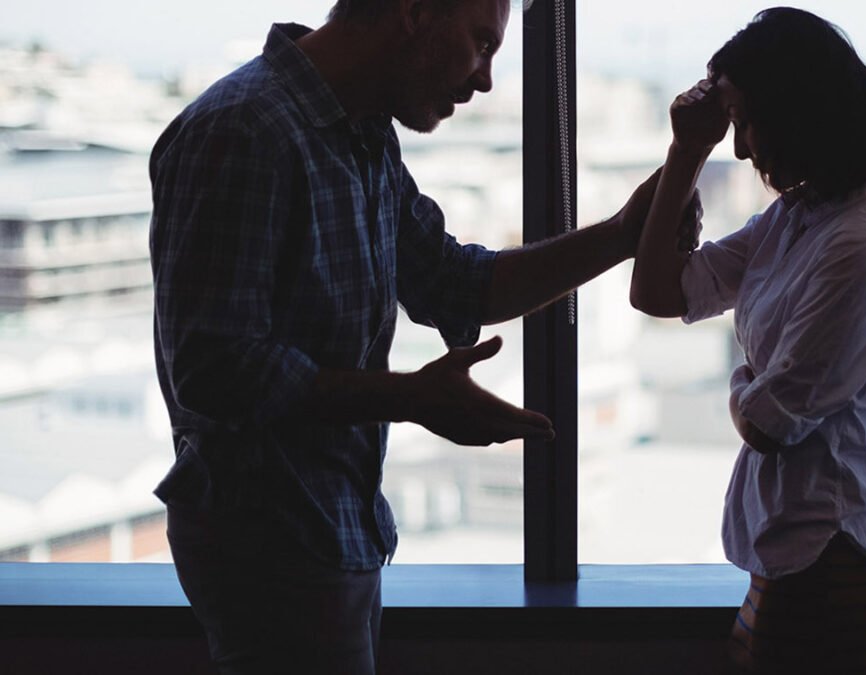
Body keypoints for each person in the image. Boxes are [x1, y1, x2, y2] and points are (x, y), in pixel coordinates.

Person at [149, 1, 690, 673]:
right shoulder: (243, 130)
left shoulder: (358, 132)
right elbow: (213, 366)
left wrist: (619, 238)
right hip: (271, 542)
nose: (487, 79)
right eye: (481, 44)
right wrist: (408, 398)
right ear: (415, 12)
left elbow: (454, 283)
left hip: (327, 531)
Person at [630, 7, 866, 674]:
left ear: (796, 110)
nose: (739, 147)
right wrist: (687, 151)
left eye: (744, 121)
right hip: (802, 557)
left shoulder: (864, 245)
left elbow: (771, 422)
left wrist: (739, 379)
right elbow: (656, 292)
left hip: (838, 558)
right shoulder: (804, 215)